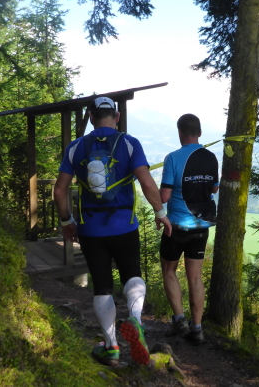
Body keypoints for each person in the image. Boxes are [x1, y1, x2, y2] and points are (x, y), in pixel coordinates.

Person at [54, 96, 171, 367]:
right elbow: (146, 182)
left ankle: (111, 347)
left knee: (102, 286)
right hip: (124, 226)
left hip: (90, 230)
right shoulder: (129, 143)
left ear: (91, 117)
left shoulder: (75, 147)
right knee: (132, 274)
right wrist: (160, 213)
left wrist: (67, 222)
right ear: (116, 117)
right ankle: (136, 321)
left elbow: (59, 190)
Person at [159, 113, 219, 345]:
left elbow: (165, 196)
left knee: (169, 270)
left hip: (176, 226)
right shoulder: (211, 157)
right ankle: (197, 328)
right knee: (195, 277)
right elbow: (213, 189)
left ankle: (179, 320)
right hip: (201, 226)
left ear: (180, 133)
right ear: (200, 133)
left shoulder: (173, 158)